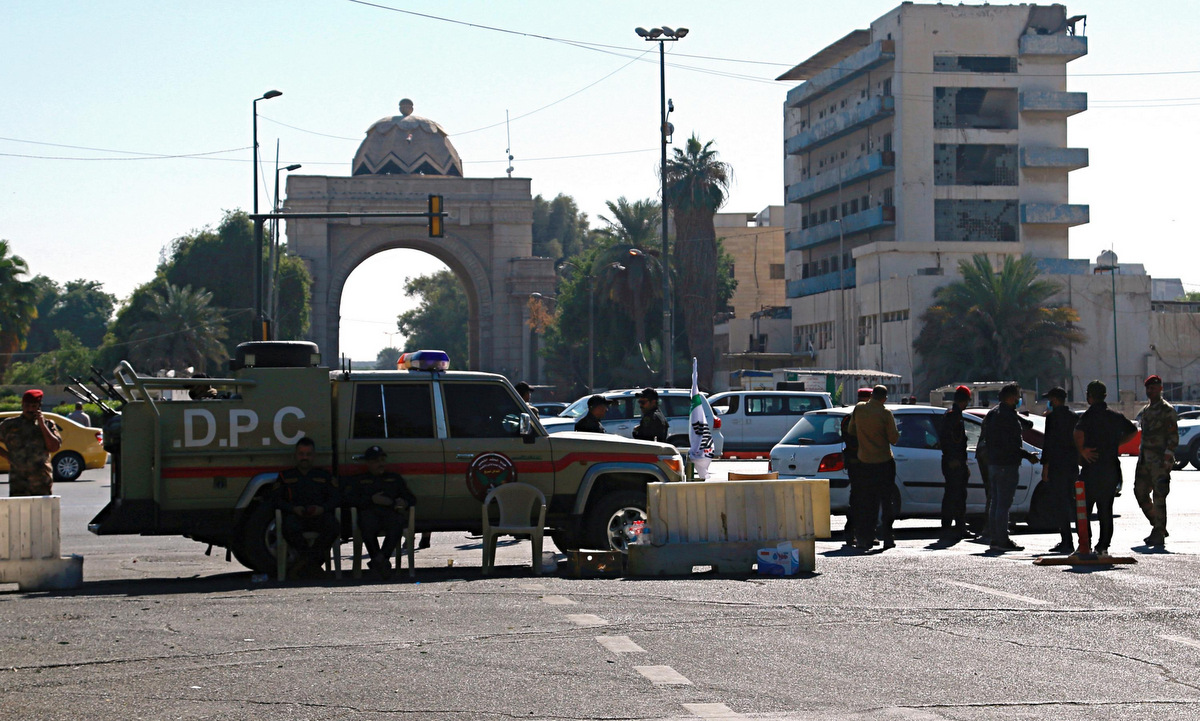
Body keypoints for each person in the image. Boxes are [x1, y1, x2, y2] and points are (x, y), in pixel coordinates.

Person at [1074, 380, 1137, 556]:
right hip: (1110, 469)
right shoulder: (1115, 416)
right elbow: (1133, 431)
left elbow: (1077, 433)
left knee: (1084, 510)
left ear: (1090, 396)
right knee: (1106, 510)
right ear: (1105, 396)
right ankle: (1103, 547)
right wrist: (1117, 444)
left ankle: (1084, 545)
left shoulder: (1088, 416)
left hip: (1091, 469)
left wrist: (1082, 451)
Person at [268, 437, 340, 576]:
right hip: (296, 516)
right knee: (288, 527)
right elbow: (275, 500)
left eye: (308, 454)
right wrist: (292, 509)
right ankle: (313, 565)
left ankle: (305, 562)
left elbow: (336, 498)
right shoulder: (285, 476)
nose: (304, 458)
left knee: (333, 526)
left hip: (319, 515)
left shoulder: (324, 475)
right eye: (301, 454)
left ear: (314, 456)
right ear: (295, 455)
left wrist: (322, 508)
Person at [982, 384, 1040, 553]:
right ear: (1009, 397)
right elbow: (1009, 444)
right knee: (1003, 504)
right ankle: (1001, 539)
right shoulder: (1005, 416)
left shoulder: (994, 413)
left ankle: (995, 537)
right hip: (1005, 465)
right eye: (1017, 396)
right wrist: (1027, 455)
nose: (1018, 399)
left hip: (994, 463)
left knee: (995, 503)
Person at [344, 446, 417, 578]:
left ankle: (379, 560)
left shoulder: (394, 478)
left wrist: (404, 502)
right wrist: (371, 500)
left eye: (382, 460)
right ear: (368, 463)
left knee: (398, 523)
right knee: (366, 524)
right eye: (376, 461)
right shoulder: (360, 480)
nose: (381, 464)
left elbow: (411, 498)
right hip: (370, 514)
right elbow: (349, 500)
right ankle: (381, 562)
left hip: (390, 515)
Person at [846, 385, 899, 551]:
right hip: (884, 462)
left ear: (871, 395)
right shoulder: (885, 413)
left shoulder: (859, 409)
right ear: (884, 398)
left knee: (868, 501)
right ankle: (888, 537)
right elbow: (894, 439)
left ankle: (866, 538)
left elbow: (851, 430)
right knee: (887, 501)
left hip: (865, 462)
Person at [1134, 375, 1178, 548]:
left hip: (1160, 461)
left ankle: (1159, 532)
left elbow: (1173, 437)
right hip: (1145, 460)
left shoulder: (1167, 410)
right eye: (1148, 388)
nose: (1150, 391)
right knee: (1140, 492)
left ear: (1160, 389)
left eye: (1153, 388)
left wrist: (1168, 458)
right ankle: (1157, 525)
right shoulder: (1146, 410)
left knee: (1159, 496)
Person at [0, 390, 63, 497]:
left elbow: (54, 447)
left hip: (41, 481)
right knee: (19, 512)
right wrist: (8, 456)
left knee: (42, 513)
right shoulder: (9, 425)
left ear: (39, 406)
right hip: (18, 481)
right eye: (27, 405)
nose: (30, 409)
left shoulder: (48, 424)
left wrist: (42, 425)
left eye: (33, 406)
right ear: (22, 405)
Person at [1040, 387, 1079, 554]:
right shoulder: (1074, 417)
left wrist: (1045, 467)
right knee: (1075, 504)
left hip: (1057, 466)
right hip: (1071, 465)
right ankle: (1084, 539)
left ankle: (1066, 541)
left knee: (1060, 504)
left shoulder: (1052, 418)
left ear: (1055, 400)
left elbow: (1048, 444)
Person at [938, 385, 972, 541]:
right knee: (954, 496)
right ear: (964, 401)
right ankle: (952, 527)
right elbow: (952, 441)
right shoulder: (954, 416)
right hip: (954, 463)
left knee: (957, 496)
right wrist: (955, 460)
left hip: (955, 461)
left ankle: (958, 526)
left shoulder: (953, 415)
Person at [841, 387, 874, 545]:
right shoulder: (853, 418)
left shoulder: (852, 418)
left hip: (864, 462)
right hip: (859, 462)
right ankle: (853, 532)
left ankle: (861, 532)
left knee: (864, 498)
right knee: (859, 498)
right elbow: (852, 441)